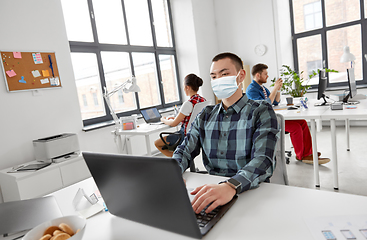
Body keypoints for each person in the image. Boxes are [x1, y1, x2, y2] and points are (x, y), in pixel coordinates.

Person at [172, 53, 279, 214]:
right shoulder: (205, 114)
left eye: (224, 74)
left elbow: (263, 160)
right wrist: (174, 172)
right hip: (213, 193)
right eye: (214, 76)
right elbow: (184, 150)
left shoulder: (261, 110)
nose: (218, 80)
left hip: (249, 192)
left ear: (240, 75)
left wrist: (231, 185)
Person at [246, 63, 330, 164]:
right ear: (258, 75)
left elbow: (275, 102)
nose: (267, 76)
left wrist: (278, 90)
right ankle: (301, 156)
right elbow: (266, 104)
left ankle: (308, 153)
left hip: (271, 116)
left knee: (302, 122)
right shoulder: (251, 90)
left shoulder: (262, 88)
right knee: (295, 127)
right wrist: (274, 88)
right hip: (264, 121)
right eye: (265, 74)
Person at [154, 73, 206, 157]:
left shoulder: (188, 104)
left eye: (183, 87)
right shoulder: (202, 100)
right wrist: (176, 118)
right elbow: (191, 118)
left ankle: (177, 159)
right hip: (197, 135)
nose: (183, 89)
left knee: (157, 143)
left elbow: (173, 124)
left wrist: (163, 119)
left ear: (187, 87)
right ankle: (180, 157)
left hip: (184, 136)